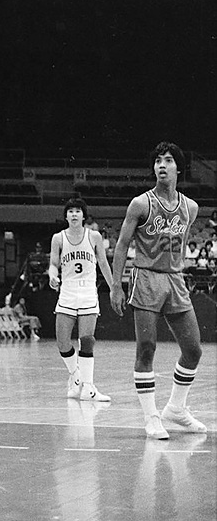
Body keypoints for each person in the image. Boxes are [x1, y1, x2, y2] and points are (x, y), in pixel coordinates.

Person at [110, 142, 206, 440]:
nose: (161, 165)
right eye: (157, 161)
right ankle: (151, 418)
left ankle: (176, 409)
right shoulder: (140, 204)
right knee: (147, 347)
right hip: (146, 277)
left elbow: (180, 245)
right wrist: (116, 285)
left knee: (193, 350)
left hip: (174, 279)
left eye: (168, 160)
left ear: (179, 167)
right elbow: (122, 245)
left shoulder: (190, 207)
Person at [49, 197, 113, 400]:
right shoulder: (58, 238)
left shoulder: (93, 236)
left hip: (87, 292)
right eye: (70, 211)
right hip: (67, 291)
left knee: (86, 340)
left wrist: (114, 288)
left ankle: (89, 388)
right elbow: (53, 263)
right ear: (66, 216)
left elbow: (103, 264)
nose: (74, 214)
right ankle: (76, 376)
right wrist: (52, 274)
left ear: (84, 216)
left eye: (78, 211)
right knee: (62, 342)